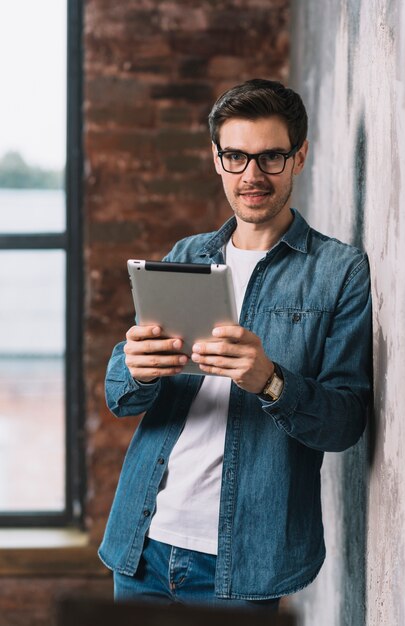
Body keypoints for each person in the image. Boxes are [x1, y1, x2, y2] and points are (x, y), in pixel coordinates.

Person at [99, 79, 372, 612]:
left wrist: (270, 381)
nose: (253, 175)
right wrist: (135, 369)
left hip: (244, 564)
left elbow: (346, 423)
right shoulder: (187, 254)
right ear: (217, 161)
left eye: (271, 156)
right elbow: (119, 397)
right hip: (141, 545)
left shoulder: (339, 273)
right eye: (237, 157)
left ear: (299, 157)